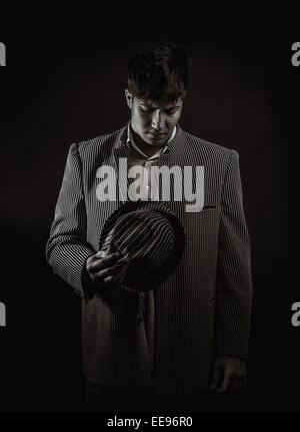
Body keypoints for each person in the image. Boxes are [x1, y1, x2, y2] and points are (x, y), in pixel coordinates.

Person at [46, 45, 252, 411]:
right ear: (129, 98)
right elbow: (61, 242)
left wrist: (234, 349)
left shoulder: (220, 164)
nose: (159, 123)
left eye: (170, 110)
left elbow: (233, 267)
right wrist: (86, 267)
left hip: (190, 363)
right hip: (110, 362)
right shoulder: (85, 156)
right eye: (147, 110)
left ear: (183, 100)